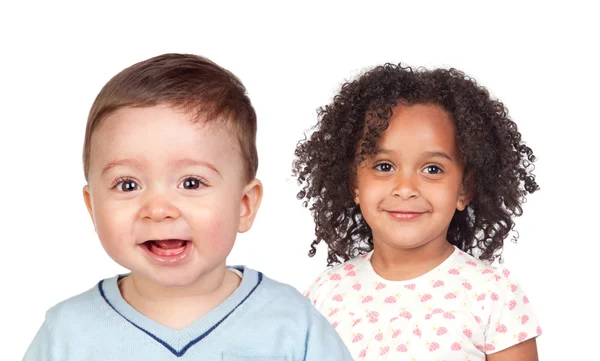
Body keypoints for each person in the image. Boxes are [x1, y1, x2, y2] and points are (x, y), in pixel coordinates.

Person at [24, 53, 352, 361]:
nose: (158, 209)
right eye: (128, 185)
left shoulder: (292, 324)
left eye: (191, 183)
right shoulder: (66, 335)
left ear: (244, 205)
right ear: (92, 207)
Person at [294, 63, 542, 360]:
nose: (406, 187)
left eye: (432, 169)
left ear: (464, 189)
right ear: (355, 184)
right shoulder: (325, 294)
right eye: (384, 166)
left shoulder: (493, 295)